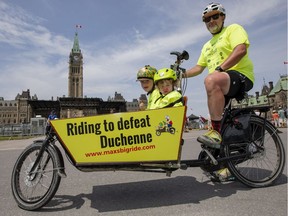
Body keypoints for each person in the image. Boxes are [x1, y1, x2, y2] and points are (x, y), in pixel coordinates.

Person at [184, 3, 254, 181]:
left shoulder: (233, 29)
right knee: (222, 119)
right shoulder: (207, 45)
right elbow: (199, 68)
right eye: (207, 19)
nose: (211, 21)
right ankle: (225, 163)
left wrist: (220, 69)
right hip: (220, 82)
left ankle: (215, 132)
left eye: (215, 16)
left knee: (211, 80)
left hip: (240, 76)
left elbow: (240, 50)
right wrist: (179, 74)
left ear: (223, 17)